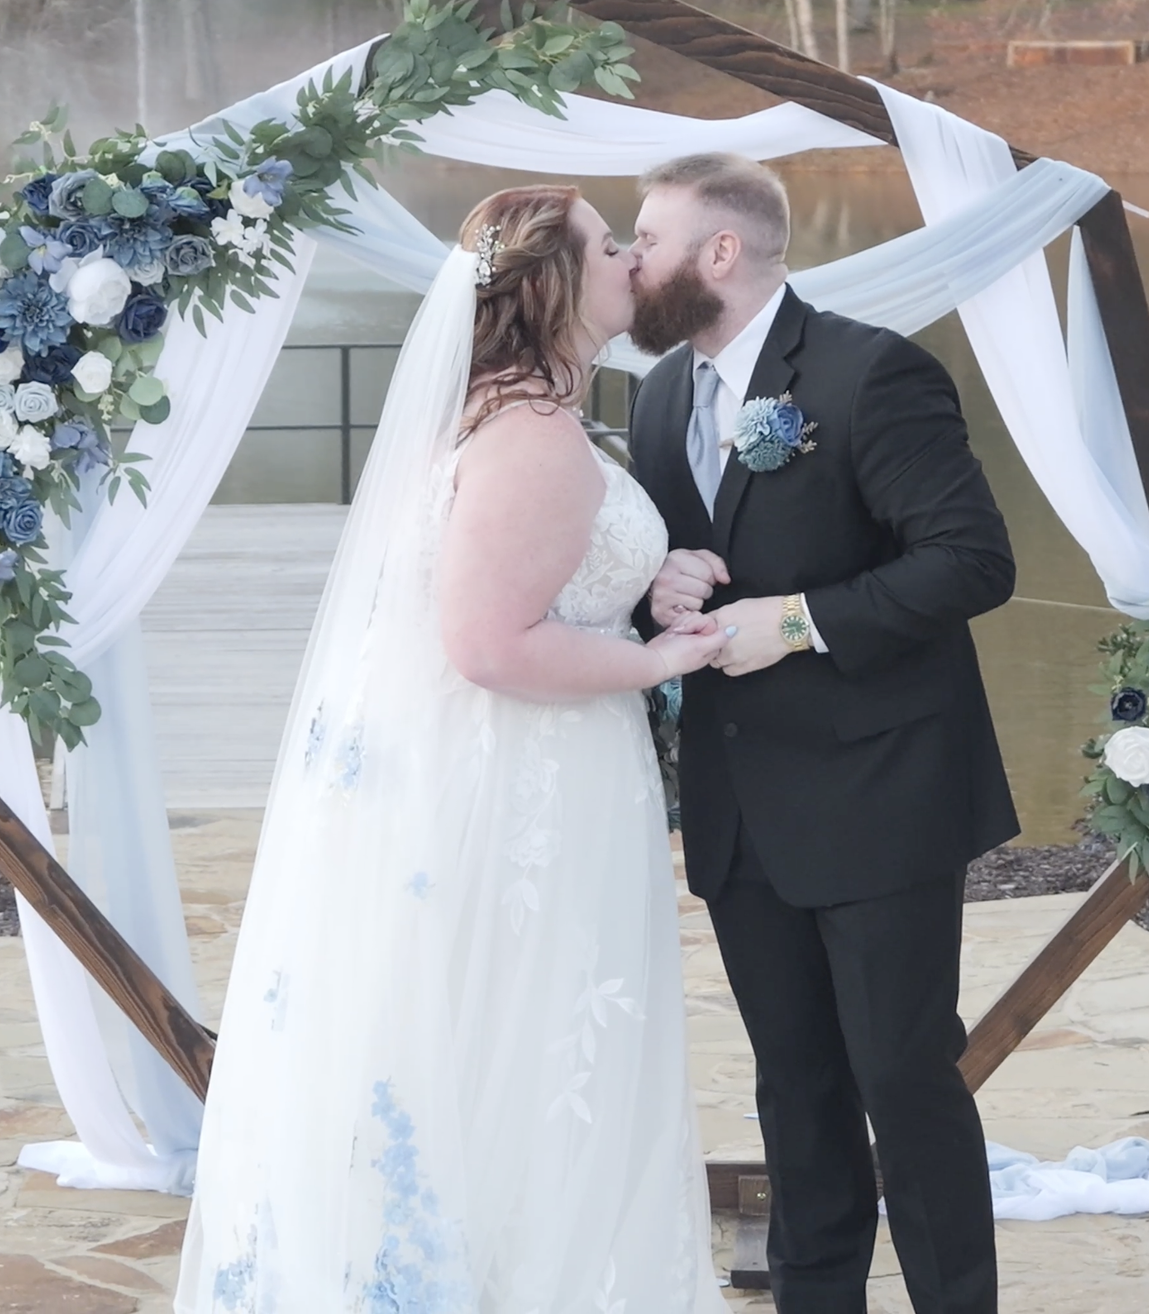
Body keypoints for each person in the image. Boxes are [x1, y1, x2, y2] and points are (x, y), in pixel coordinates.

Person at [175, 185, 733, 1312]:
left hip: (504, 774)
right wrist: (665, 663)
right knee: (523, 1056)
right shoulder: (529, 431)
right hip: (525, 783)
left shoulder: (511, 409)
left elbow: (538, 576)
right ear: (554, 285)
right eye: (608, 245)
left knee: (498, 1050)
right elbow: (488, 643)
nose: (632, 258)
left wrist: (645, 586)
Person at [627, 152, 1019, 1314]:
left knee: (902, 1077)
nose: (630, 260)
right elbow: (678, 565)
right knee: (792, 1084)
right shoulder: (657, 396)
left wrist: (796, 622)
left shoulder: (867, 373)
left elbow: (972, 562)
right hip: (744, 807)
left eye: (646, 239)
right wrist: (665, 585)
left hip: (882, 789)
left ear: (720, 254)